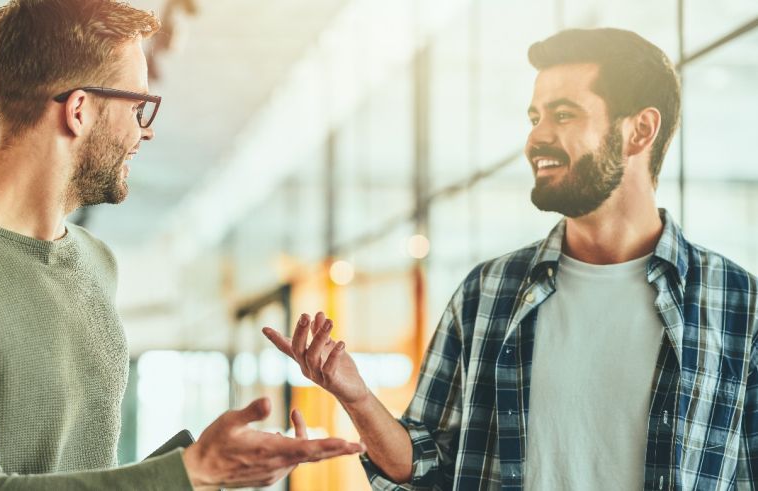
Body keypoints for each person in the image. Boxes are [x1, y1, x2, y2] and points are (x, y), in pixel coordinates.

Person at [264, 28, 758, 490]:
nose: (536, 139)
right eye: (535, 118)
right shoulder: (486, 293)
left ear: (640, 131)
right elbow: (426, 468)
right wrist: (357, 397)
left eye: (564, 115)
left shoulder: (739, 305)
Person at [0, 1, 363, 489]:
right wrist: (189, 472)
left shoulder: (96, 262)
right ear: (79, 111)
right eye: (137, 106)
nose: (145, 130)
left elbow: (84, 476)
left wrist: (208, 464)